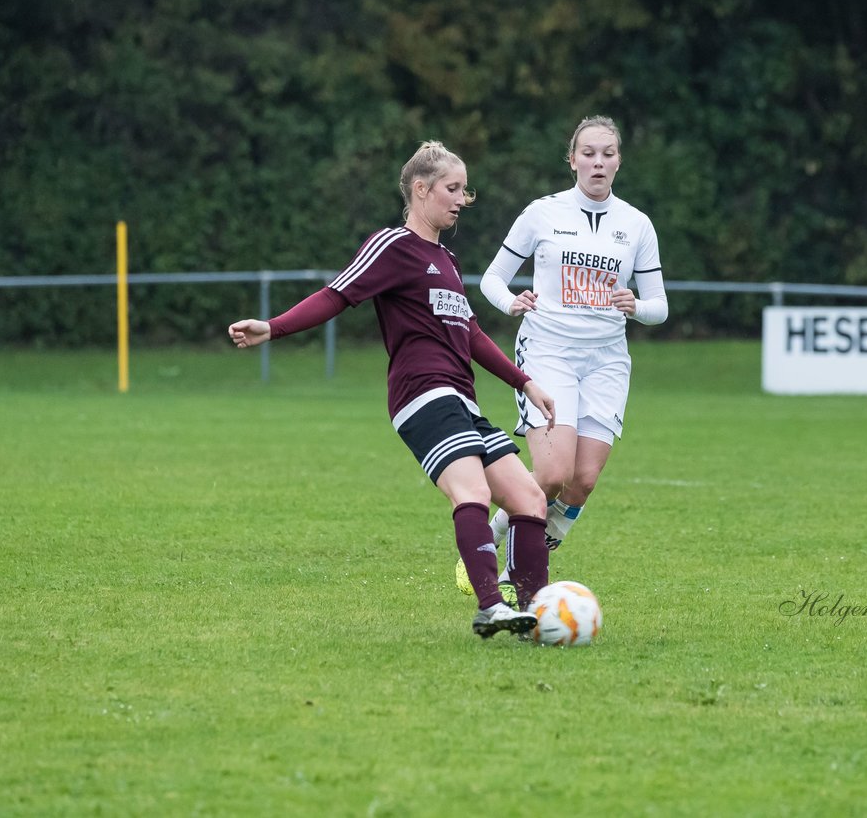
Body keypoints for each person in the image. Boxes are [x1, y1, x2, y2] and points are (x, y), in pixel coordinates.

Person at [228, 141, 557, 639]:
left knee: (530, 498)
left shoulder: (445, 259)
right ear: (420, 190)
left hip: (461, 398)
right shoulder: (393, 245)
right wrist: (272, 328)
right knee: (471, 491)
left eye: (464, 189)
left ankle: (535, 613)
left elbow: (469, 334)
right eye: (452, 188)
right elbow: (337, 294)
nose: (461, 199)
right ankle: (491, 605)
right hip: (421, 394)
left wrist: (525, 381)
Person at [473, 115, 668, 599]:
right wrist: (510, 302)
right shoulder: (542, 213)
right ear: (572, 159)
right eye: (588, 153)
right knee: (553, 474)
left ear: (619, 161)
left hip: (606, 360)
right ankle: (490, 549)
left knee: (581, 483)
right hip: (549, 350)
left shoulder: (637, 224)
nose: (597, 162)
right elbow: (491, 278)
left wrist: (636, 307)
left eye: (607, 153)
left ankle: (520, 560)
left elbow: (659, 307)